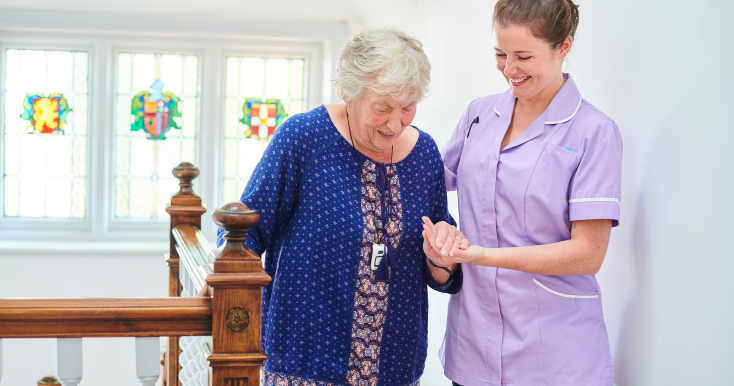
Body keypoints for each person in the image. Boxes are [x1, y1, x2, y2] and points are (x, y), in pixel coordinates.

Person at [217, 25, 465, 386]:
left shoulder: (424, 153)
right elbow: (248, 230)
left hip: (394, 369)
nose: (396, 123)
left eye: (408, 108)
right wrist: (223, 276)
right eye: (382, 108)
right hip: (304, 365)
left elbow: (439, 265)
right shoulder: (304, 138)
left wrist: (443, 258)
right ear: (349, 92)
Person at [421, 1, 623, 385]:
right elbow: (427, 179)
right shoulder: (479, 115)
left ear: (563, 47)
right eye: (500, 54)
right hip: (474, 346)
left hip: (556, 353)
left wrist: (480, 255)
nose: (509, 69)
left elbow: (588, 254)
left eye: (524, 56)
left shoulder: (592, 131)